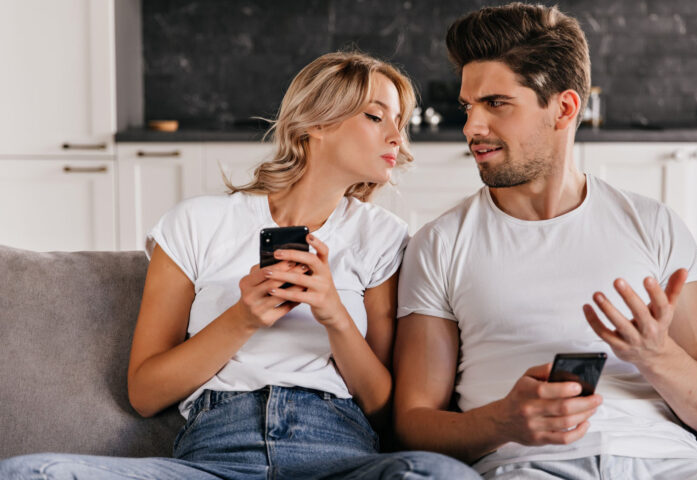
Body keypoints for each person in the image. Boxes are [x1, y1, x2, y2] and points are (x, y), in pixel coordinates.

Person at [0, 51, 479, 480]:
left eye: (401, 121)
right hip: (214, 456)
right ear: (314, 123)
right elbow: (145, 393)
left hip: (336, 455)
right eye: (377, 117)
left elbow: (380, 408)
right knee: (30, 472)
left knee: (438, 473)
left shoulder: (382, 236)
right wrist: (243, 318)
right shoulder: (196, 223)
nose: (399, 137)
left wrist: (334, 314)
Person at [393, 4, 697, 479]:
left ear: (563, 108)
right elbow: (413, 425)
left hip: (668, 464)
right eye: (469, 106)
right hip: (530, 466)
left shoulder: (653, 224)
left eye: (496, 103)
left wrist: (655, 355)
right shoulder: (440, 243)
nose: (471, 127)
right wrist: (503, 420)